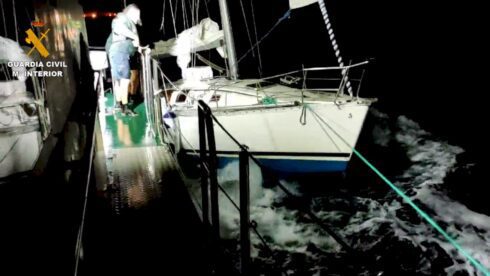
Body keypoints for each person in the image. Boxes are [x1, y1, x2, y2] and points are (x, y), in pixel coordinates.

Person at [105, 4, 142, 116]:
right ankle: (125, 108)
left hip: (118, 53)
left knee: (119, 81)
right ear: (131, 12)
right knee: (125, 81)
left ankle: (119, 104)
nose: (137, 20)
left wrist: (139, 47)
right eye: (137, 16)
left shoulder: (128, 22)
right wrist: (135, 37)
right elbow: (118, 28)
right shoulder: (121, 18)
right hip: (120, 53)